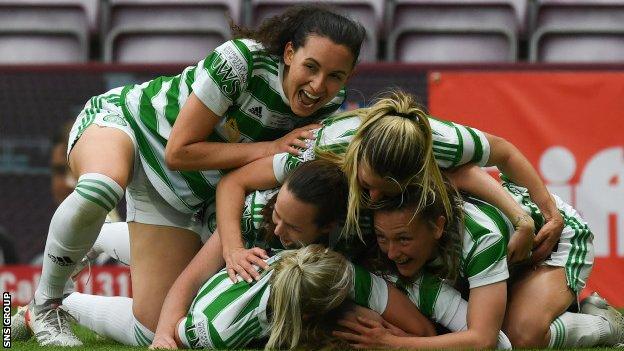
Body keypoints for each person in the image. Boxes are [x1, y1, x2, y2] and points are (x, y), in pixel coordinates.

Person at [20, 4, 366, 347]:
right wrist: (269, 148)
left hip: (181, 192)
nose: (318, 85)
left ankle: (51, 293)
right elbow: (178, 151)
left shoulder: (331, 109)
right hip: (130, 127)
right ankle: (47, 302)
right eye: (311, 66)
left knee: (154, 330)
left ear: (348, 77)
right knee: (100, 188)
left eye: (335, 76)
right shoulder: (240, 61)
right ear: (290, 53)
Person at [215, 90, 562, 284]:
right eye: (368, 185)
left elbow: (499, 154)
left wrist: (538, 216)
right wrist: (232, 250)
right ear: (356, 156)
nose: (376, 198)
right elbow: (234, 181)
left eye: (389, 191)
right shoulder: (322, 151)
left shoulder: (439, 143)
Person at [336, 169, 624, 349]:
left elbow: (485, 341)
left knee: (521, 334)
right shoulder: (381, 231)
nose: (391, 252)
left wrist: (394, 345)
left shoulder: (479, 238)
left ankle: (603, 323)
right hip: (505, 254)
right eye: (383, 238)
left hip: (554, 240)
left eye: (403, 239)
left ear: (437, 226)